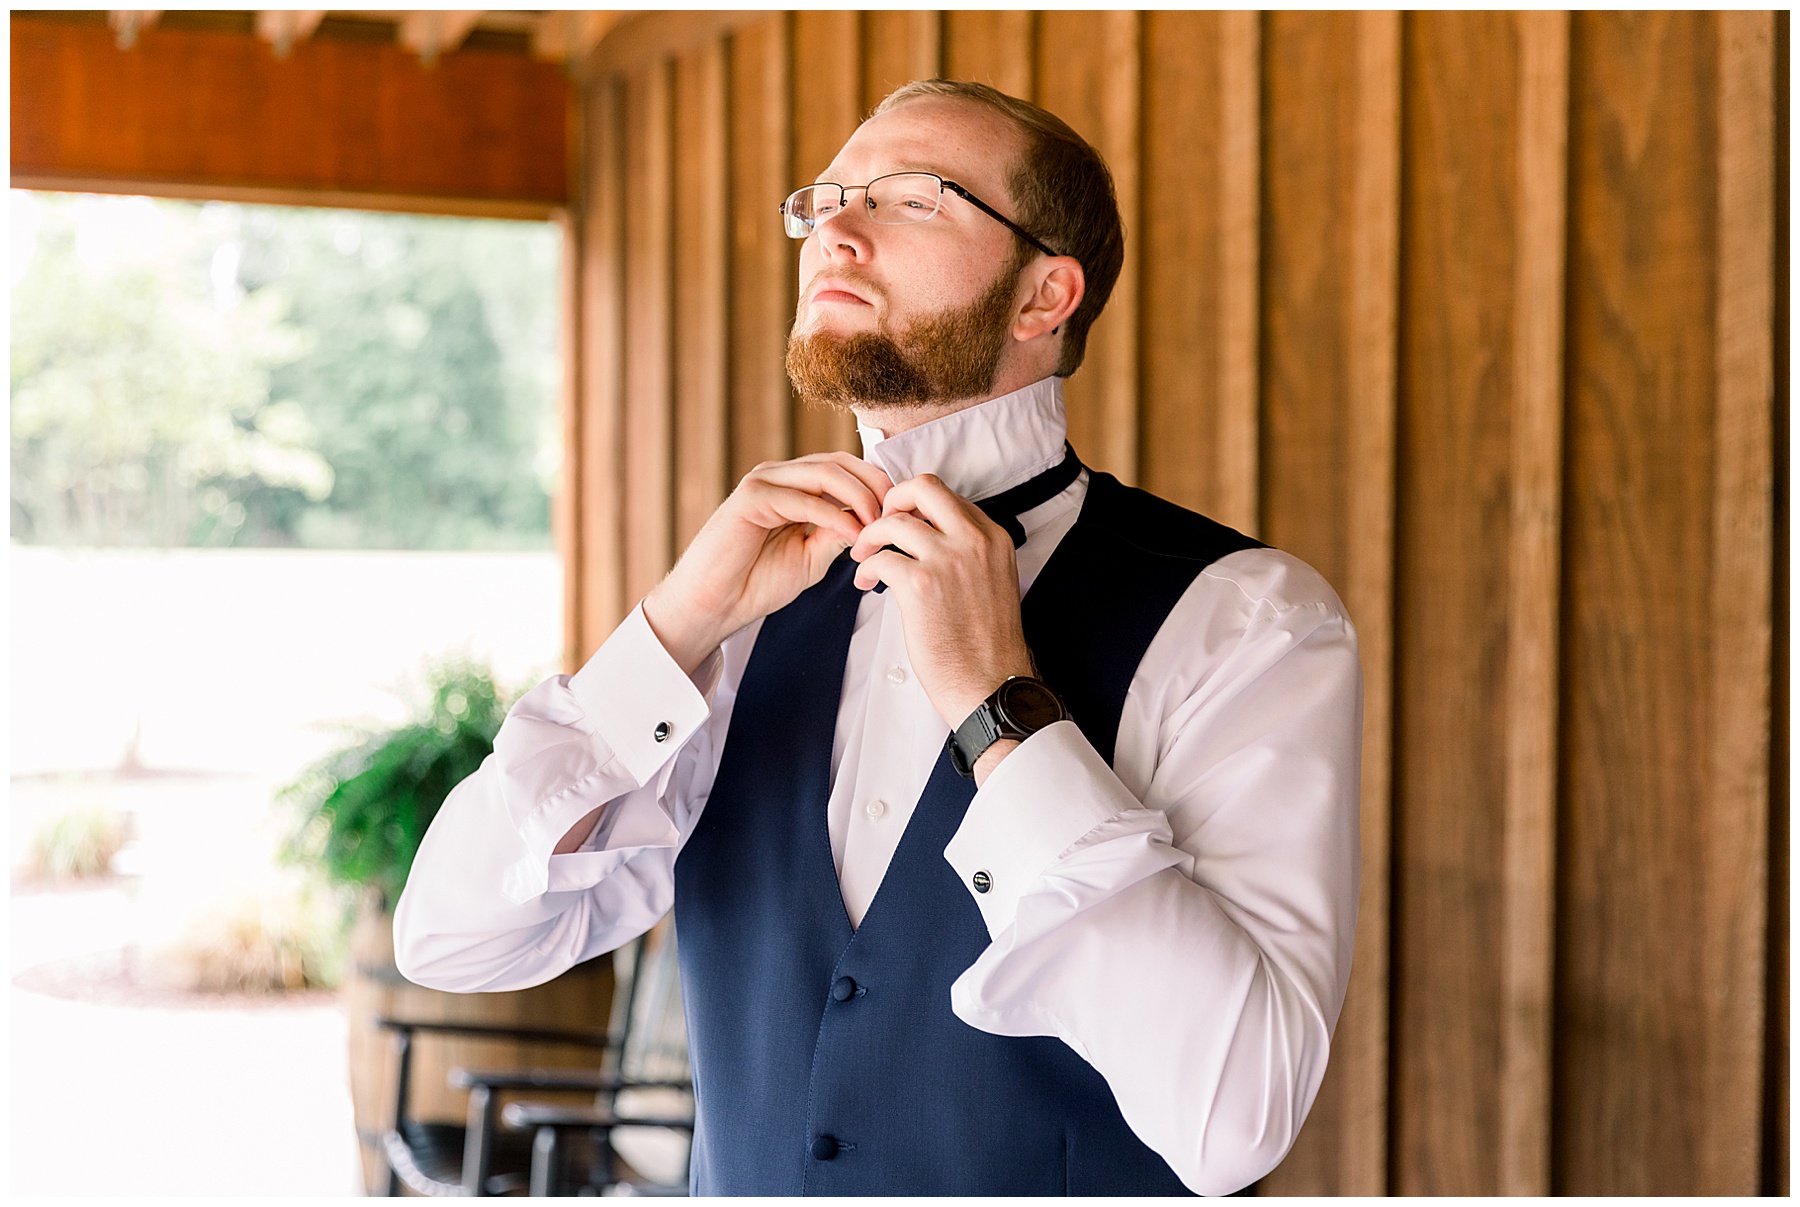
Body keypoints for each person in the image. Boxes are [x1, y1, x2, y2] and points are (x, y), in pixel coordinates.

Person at [394, 79, 1362, 1197]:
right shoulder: (745, 616)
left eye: (913, 201)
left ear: (1045, 293)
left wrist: (1002, 707)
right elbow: (454, 941)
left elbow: (1241, 1117)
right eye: (827, 201)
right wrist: (670, 630)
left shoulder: (1247, 617)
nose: (835, 233)